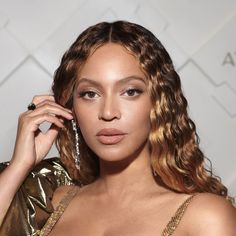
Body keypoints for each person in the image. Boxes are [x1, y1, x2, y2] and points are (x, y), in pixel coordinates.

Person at [0, 20, 235, 235]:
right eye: (90, 94)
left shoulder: (206, 218)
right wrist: (20, 166)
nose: (108, 113)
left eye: (130, 92)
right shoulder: (51, 203)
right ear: (71, 107)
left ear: (159, 102)